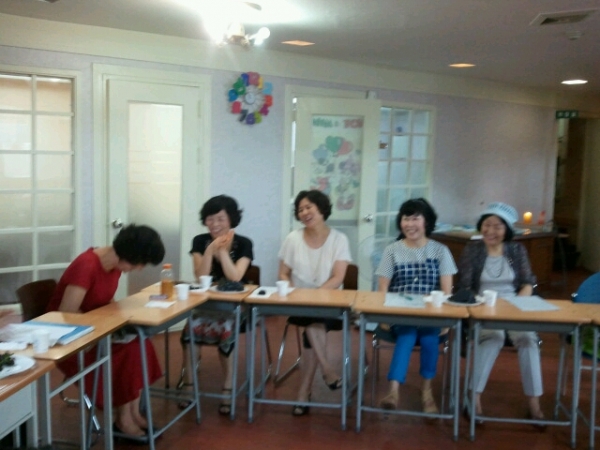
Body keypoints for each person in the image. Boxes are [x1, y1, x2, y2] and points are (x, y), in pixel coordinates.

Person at [46, 224, 165, 439]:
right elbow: (67, 313)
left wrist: (118, 321)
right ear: (130, 255)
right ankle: (123, 419)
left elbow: (102, 300)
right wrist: (103, 327)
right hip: (70, 339)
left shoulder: (114, 266)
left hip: (95, 331)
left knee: (140, 343)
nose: (138, 269)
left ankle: (133, 413)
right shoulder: (87, 265)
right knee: (129, 352)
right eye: (140, 263)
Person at [458, 202, 543, 424]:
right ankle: (474, 397)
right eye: (487, 225)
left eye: (497, 226)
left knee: (528, 340)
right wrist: (482, 304)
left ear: (507, 230)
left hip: (514, 308)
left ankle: (534, 403)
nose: (491, 231)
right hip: (483, 309)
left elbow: (527, 282)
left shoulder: (515, 251)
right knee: (493, 337)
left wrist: (517, 304)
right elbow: (465, 287)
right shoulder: (473, 250)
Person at [377, 198, 457, 413]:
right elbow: (382, 288)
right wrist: (383, 317)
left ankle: (427, 391)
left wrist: (445, 321)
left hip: (431, 315)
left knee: (430, 339)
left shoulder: (440, 251)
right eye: (406, 219)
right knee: (407, 335)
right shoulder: (392, 250)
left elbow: (447, 292)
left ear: (426, 222)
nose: (410, 224)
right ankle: (393, 391)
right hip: (400, 314)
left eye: (415, 219)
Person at [278, 189, 352, 416]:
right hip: (299, 301)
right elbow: (283, 273)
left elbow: (338, 277)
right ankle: (326, 372)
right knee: (313, 322)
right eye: (300, 209)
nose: (304, 212)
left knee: (313, 324)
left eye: (309, 207)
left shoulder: (339, 239)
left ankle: (305, 391)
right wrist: (292, 291)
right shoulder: (293, 239)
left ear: (321, 209)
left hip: (330, 301)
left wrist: (316, 296)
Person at [179, 195, 253, 415]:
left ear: (231, 220)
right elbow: (200, 276)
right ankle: (189, 384)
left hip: (236, 306)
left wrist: (222, 251)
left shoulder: (244, 243)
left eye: (221, 219)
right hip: (206, 304)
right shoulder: (199, 241)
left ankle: (228, 387)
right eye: (210, 219)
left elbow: (236, 277)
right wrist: (210, 250)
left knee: (226, 328)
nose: (215, 224)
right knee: (190, 329)